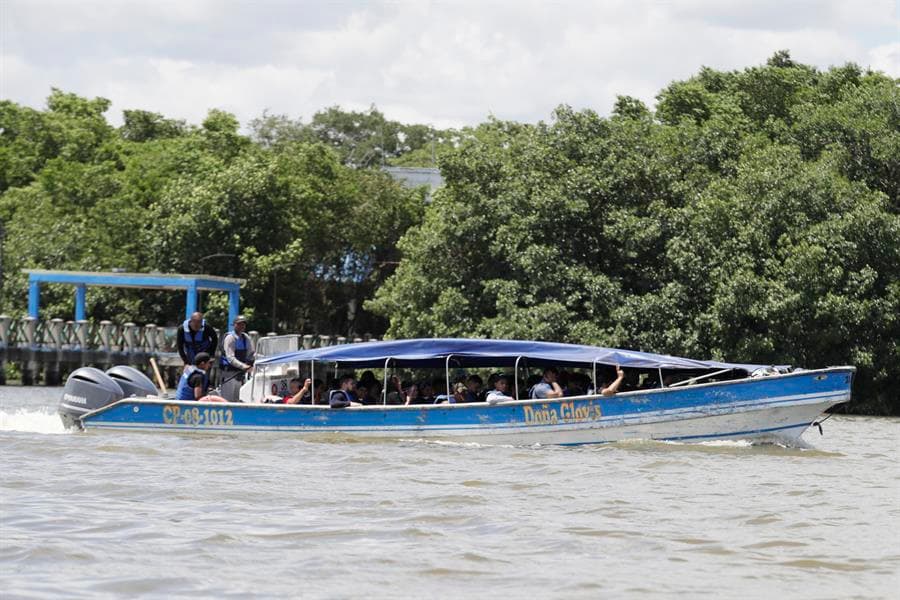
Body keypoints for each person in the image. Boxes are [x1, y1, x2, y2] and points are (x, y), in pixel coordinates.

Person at [219, 315, 255, 402]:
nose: (241, 326)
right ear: (234, 325)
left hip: (239, 375)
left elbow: (251, 353)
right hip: (229, 375)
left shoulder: (246, 338)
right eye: (239, 324)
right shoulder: (230, 338)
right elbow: (230, 358)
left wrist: (253, 363)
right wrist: (244, 366)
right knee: (227, 401)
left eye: (243, 324)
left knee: (237, 400)